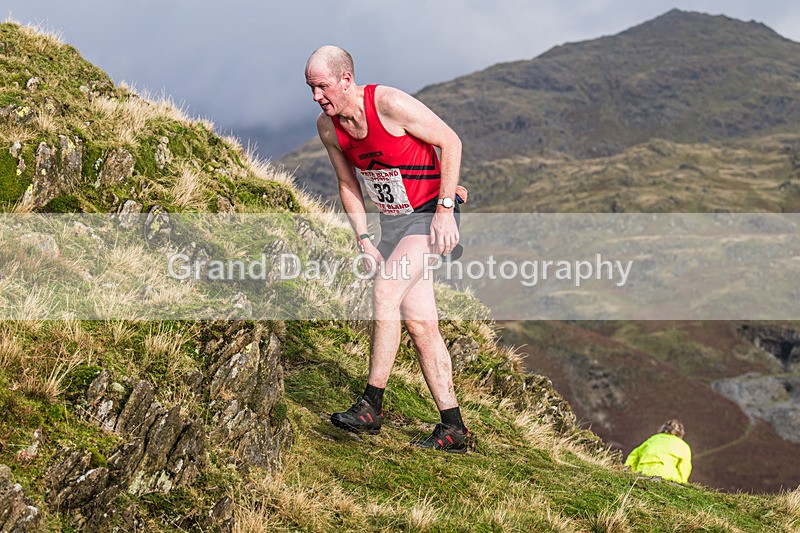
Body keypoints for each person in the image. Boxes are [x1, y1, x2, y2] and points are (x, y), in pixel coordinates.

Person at [305, 45, 468, 453]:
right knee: (421, 325)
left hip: (430, 215)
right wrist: (363, 238)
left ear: (346, 79)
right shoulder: (329, 128)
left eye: (322, 86)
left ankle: (371, 406)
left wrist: (446, 209)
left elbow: (451, 142)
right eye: (310, 88)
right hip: (393, 222)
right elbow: (349, 185)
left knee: (384, 290)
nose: (316, 97)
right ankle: (454, 429)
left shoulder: (389, 104)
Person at [625, 419, 692, 483]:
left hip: (643, 472)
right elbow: (684, 467)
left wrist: (630, 472)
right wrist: (682, 482)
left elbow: (633, 456)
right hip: (668, 476)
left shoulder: (652, 439)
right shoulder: (683, 446)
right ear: (681, 433)